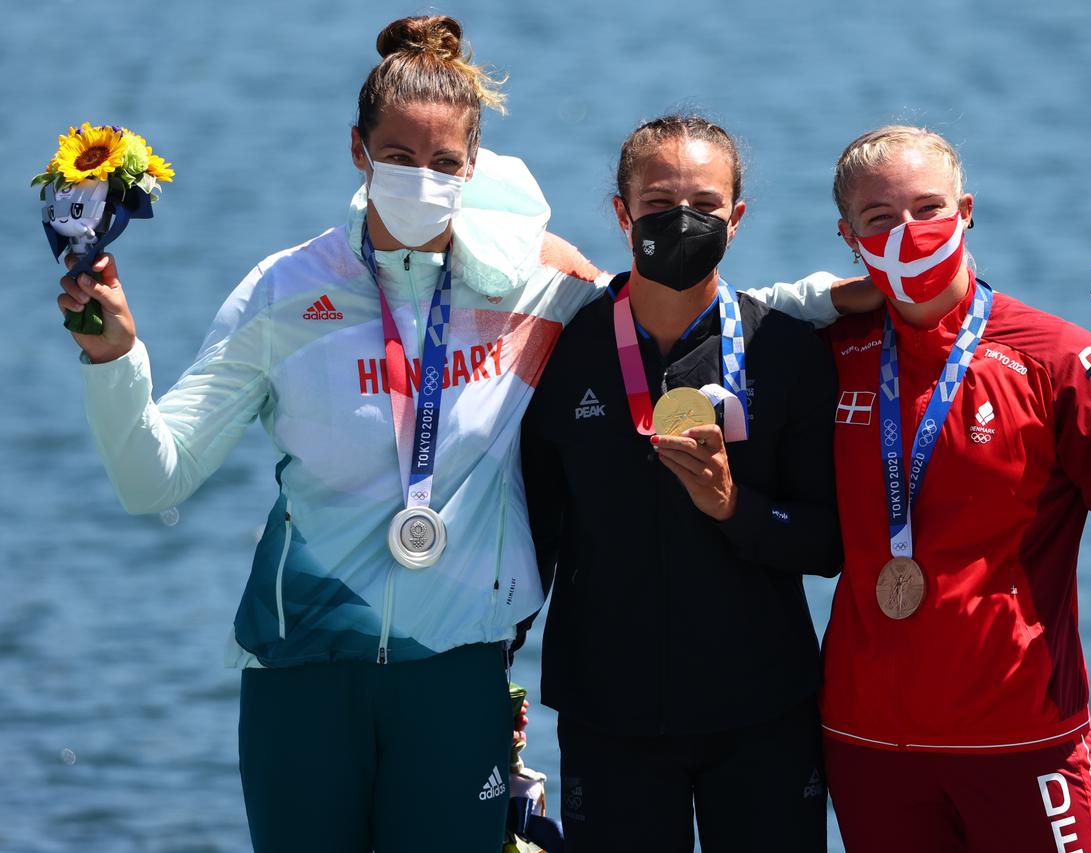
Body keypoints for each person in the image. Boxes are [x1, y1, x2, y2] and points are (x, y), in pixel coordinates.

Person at [56, 16, 865, 851]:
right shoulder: (284, 292)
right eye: (397, 157)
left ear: (473, 169)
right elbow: (153, 481)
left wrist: (822, 298)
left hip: (455, 675)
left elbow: (677, 295)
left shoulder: (527, 284)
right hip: (300, 666)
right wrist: (116, 362)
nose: (421, 178)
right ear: (357, 151)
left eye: (444, 164)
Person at [818, 125, 1091, 852]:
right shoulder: (829, 354)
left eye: (929, 208)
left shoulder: (1059, 357)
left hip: (1024, 739)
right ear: (847, 236)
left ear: (966, 211)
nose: (910, 231)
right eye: (880, 218)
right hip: (867, 740)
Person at [520, 114, 844, 852]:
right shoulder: (564, 351)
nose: (682, 220)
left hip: (762, 706)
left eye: (704, 203)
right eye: (660, 203)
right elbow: (530, 531)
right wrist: (495, 660)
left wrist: (735, 509)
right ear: (621, 212)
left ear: (737, 217)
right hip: (608, 708)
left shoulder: (784, 351)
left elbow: (827, 543)